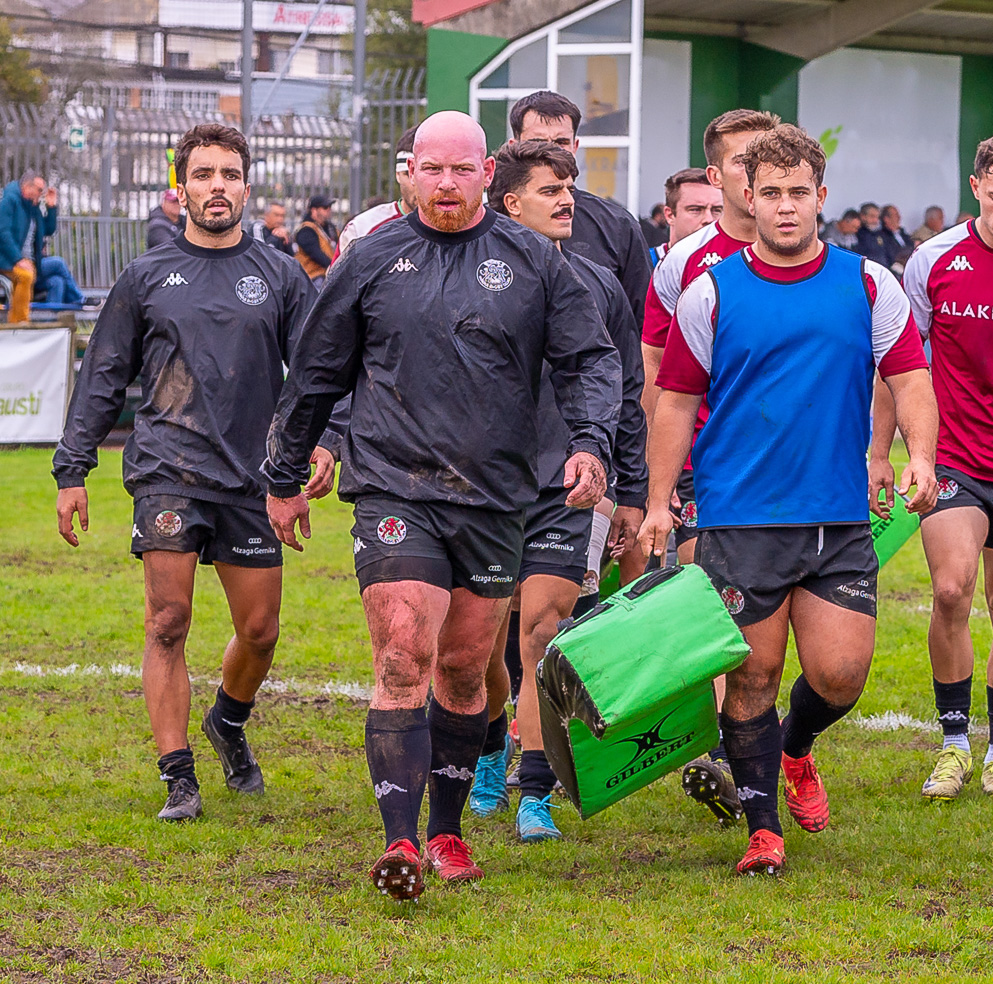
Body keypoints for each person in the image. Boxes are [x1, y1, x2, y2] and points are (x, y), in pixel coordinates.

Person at [261, 110, 621, 900]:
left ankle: (449, 830)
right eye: (432, 170)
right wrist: (284, 474)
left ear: (487, 172)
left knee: (463, 670)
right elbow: (316, 373)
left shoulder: (534, 260)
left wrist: (590, 441)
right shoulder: (368, 260)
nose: (447, 185)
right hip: (395, 486)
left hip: (496, 495)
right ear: (410, 173)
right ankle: (398, 843)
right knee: (400, 652)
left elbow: (589, 358)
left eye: (461, 170)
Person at [638, 123, 938, 877]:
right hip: (740, 518)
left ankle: (797, 749)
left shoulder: (869, 283)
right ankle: (762, 831)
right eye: (768, 193)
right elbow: (674, 402)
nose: (783, 207)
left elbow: (910, 380)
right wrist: (656, 500)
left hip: (835, 518)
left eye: (797, 193)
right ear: (747, 195)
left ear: (821, 198)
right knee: (753, 677)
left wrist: (921, 457)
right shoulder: (710, 291)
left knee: (840, 675)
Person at [52, 124, 318, 821]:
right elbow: (103, 376)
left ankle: (227, 722)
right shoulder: (145, 278)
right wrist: (72, 467)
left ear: (247, 186)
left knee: (260, 631)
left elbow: (319, 376)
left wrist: (323, 445)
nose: (217, 187)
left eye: (230, 174)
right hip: (168, 469)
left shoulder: (281, 275)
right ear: (182, 188)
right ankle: (179, 777)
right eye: (203, 175)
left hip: (254, 479)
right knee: (167, 621)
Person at [476, 140, 647, 843]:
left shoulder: (598, 283)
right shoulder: (470, 273)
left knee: (543, 631)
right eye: (551, 188)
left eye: (570, 185)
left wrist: (631, 487)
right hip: (478, 487)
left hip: (565, 487)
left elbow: (628, 392)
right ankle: (490, 748)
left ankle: (536, 793)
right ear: (511, 201)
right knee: (479, 643)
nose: (568, 198)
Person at [892, 132, 993, 802]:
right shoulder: (932, 260)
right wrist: (896, 453)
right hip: (954, 457)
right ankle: (955, 745)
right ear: (975, 186)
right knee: (952, 590)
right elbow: (900, 364)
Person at [636, 109, 777, 821]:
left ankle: (759, 746)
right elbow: (656, 371)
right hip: (707, 467)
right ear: (716, 174)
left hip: (788, 473)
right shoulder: (686, 260)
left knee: (773, 632)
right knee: (711, 599)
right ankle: (720, 752)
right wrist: (665, 473)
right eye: (743, 161)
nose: (758, 175)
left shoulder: (813, 254)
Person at [506, 90, 652, 327]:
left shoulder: (616, 226)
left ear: (575, 146)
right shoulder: (487, 223)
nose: (550, 152)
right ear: (514, 146)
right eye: (538, 143)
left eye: (561, 143)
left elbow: (642, 324)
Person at [336, 125, 419, 259]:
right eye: (408, 174)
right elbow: (339, 279)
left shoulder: (461, 229)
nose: (417, 184)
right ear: (397, 175)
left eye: (428, 173)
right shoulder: (362, 229)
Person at [3, 174, 53, 319]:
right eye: (39, 190)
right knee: (25, 275)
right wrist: (18, 259)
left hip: (29, 260)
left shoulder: (31, 206)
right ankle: (19, 322)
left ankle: (50, 323)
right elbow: (3, 232)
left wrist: (52, 207)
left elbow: (48, 230)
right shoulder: (10, 201)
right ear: (27, 187)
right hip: (7, 259)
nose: (41, 194)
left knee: (57, 282)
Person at [658, 167, 722, 264]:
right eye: (695, 210)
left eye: (716, 210)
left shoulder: (734, 265)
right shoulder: (643, 264)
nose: (709, 219)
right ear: (670, 215)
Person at [292, 195, 338, 284]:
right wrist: (335, 267)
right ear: (314, 210)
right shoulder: (306, 230)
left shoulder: (330, 228)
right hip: (312, 277)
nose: (329, 210)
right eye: (325, 207)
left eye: (330, 207)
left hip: (327, 274)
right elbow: (316, 254)